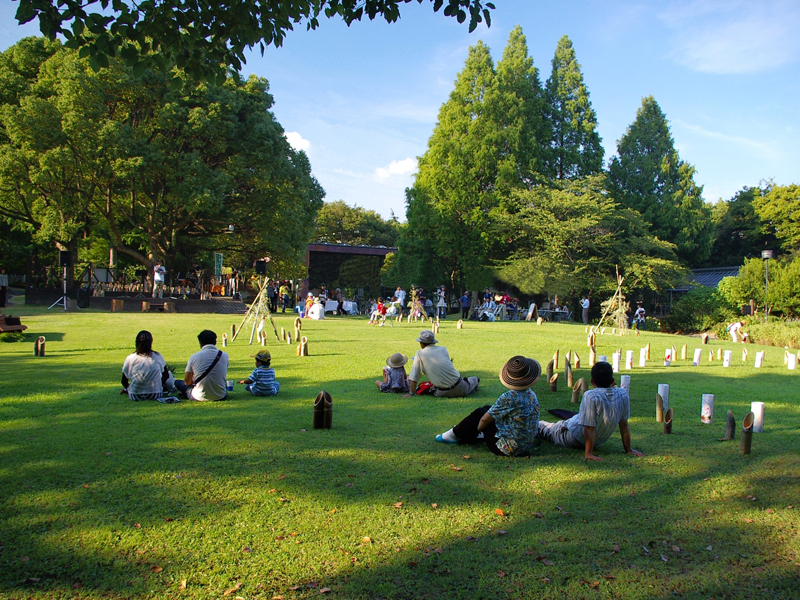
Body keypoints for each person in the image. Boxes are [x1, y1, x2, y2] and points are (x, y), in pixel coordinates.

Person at [537, 361, 644, 461]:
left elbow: (589, 427)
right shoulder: (623, 394)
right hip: (589, 435)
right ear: (612, 381)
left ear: (592, 382)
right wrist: (629, 449)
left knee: (544, 428)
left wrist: (588, 453)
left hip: (573, 436)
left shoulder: (591, 395)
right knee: (557, 425)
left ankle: (534, 424)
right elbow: (624, 424)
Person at [435, 356, 541, 456]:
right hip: (526, 444)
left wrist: (479, 429)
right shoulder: (531, 394)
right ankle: (461, 432)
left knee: (480, 413)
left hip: (507, 449)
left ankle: (453, 435)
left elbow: (484, 420)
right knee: (487, 408)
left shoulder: (509, 396)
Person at [404, 330, 480, 398]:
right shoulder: (443, 349)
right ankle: (471, 387)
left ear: (421, 344)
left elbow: (414, 376)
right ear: (433, 341)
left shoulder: (420, 353)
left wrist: (411, 393)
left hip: (441, 393)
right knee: (474, 379)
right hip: (460, 386)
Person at [175, 330, 230, 401]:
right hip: (220, 395)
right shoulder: (224, 355)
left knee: (178, 383)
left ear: (201, 343)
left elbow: (187, 382)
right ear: (215, 342)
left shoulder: (194, 357)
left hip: (199, 396)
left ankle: (184, 393)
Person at [121, 330, 174, 401]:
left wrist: (128, 388)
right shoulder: (157, 356)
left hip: (135, 395)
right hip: (155, 394)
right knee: (169, 373)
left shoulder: (131, 358)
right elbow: (166, 375)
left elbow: (124, 381)